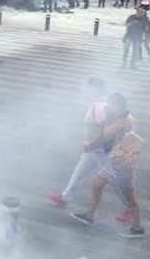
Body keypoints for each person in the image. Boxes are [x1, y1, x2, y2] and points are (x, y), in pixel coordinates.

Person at [70, 93, 145, 238]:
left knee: (129, 196)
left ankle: (137, 228)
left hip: (122, 163)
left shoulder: (122, 122)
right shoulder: (122, 118)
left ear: (119, 106)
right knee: (97, 183)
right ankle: (89, 215)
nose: (108, 108)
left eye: (111, 105)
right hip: (115, 160)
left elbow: (103, 136)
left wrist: (88, 146)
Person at [47, 77, 109, 209]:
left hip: (99, 149)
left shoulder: (99, 106)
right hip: (92, 148)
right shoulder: (96, 103)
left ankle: (130, 208)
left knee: (115, 178)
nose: (86, 91)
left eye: (89, 88)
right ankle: (64, 198)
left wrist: (92, 144)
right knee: (79, 172)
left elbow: (104, 129)